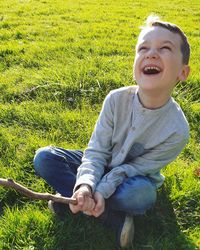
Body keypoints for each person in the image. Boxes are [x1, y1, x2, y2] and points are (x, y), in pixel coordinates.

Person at [33, 15, 190, 248]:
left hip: (132, 178)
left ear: (182, 73)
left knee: (140, 196)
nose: (151, 54)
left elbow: (133, 168)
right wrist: (86, 184)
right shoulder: (116, 99)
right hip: (103, 161)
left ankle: (72, 201)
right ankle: (107, 216)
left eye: (165, 48)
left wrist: (103, 190)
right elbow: (96, 150)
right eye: (143, 48)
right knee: (45, 158)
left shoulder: (177, 130)